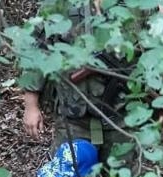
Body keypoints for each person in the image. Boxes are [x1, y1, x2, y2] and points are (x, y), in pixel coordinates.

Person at [17, 0, 133, 161]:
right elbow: (36, 52)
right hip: (73, 119)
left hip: (121, 119)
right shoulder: (57, 5)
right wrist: (31, 106)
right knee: (68, 174)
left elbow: (155, 49)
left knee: (121, 174)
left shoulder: (134, 5)